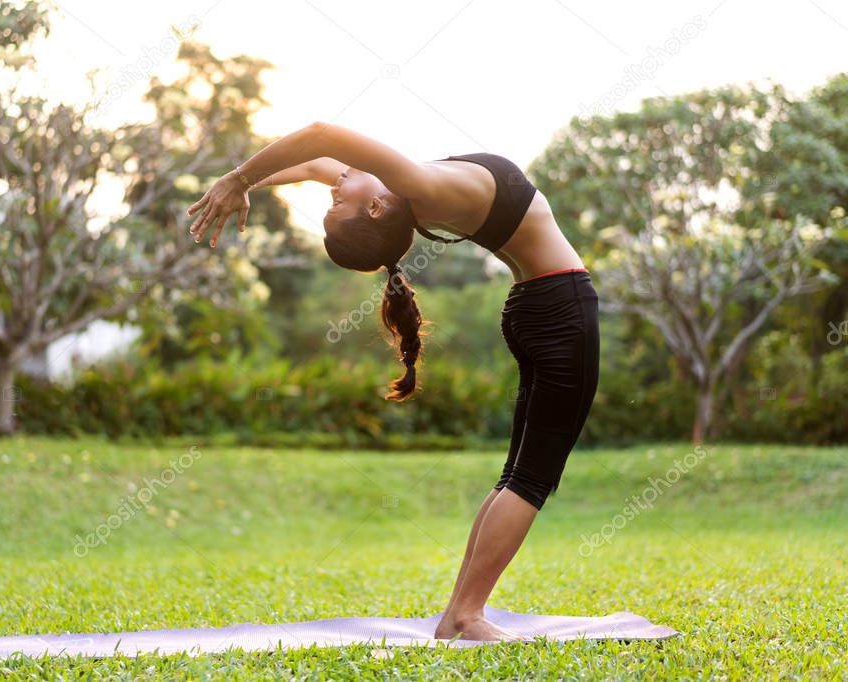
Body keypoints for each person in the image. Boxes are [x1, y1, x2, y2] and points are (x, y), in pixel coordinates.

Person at [186, 121, 600, 642]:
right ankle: (467, 616)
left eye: (333, 202)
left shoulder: (404, 194)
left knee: (516, 475)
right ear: (376, 209)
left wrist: (246, 184)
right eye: (338, 205)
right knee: (531, 478)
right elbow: (319, 136)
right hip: (561, 308)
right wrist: (236, 176)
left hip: (533, 308)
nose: (333, 191)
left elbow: (317, 165)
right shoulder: (417, 187)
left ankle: (458, 615)